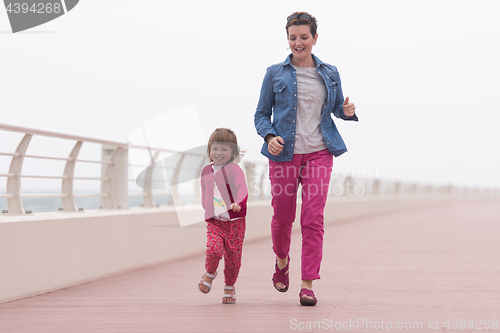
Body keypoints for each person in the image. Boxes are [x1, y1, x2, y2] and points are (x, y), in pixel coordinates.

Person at [254, 12, 358, 306]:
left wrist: (347, 111)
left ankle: (308, 283)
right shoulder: (274, 73)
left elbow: (337, 108)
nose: (297, 43)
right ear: (287, 39)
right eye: (292, 38)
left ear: (314, 38)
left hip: (320, 153)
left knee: (313, 218)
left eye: (303, 37)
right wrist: (269, 137)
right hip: (284, 155)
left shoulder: (330, 72)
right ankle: (282, 261)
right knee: (283, 218)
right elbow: (262, 114)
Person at [197, 128, 248, 304]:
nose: (219, 153)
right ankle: (210, 273)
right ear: (210, 150)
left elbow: (243, 189)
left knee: (233, 258)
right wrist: (206, 208)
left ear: (233, 152)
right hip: (215, 222)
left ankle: (229, 286)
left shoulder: (234, 170)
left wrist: (238, 204)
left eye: (224, 149)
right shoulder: (206, 170)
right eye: (215, 148)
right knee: (213, 249)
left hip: (235, 222)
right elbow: (204, 192)